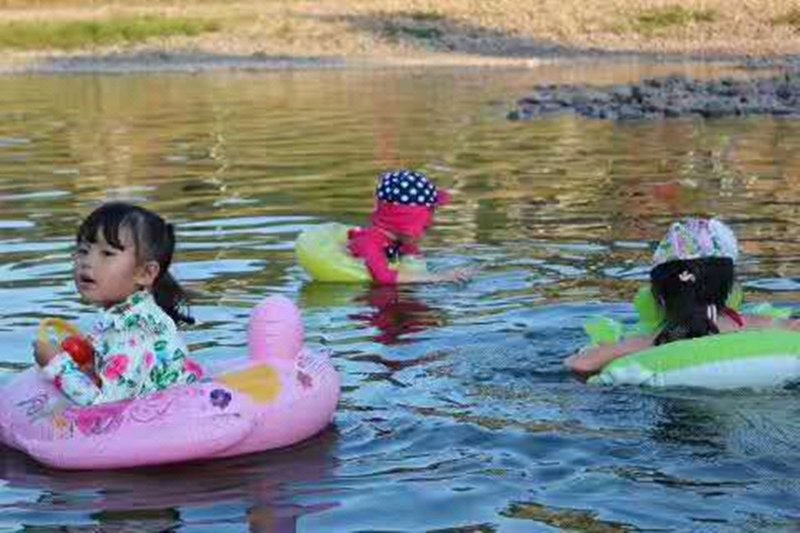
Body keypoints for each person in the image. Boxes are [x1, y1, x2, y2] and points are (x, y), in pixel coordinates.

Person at [565, 218, 798, 377]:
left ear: (660, 296)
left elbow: (580, 364)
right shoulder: (759, 324)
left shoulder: (654, 342)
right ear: (728, 289)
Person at [33, 202, 203, 406]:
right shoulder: (132, 315)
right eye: (84, 250)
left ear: (145, 273)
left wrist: (56, 365)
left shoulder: (132, 332)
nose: (87, 262)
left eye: (107, 253)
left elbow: (107, 407)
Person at [348, 169, 472, 284]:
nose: (430, 223)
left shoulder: (402, 242)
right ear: (405, 221)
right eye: (424, 223)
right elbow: (384, 277)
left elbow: (417, 263)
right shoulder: (368, 243)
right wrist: (440, 277)